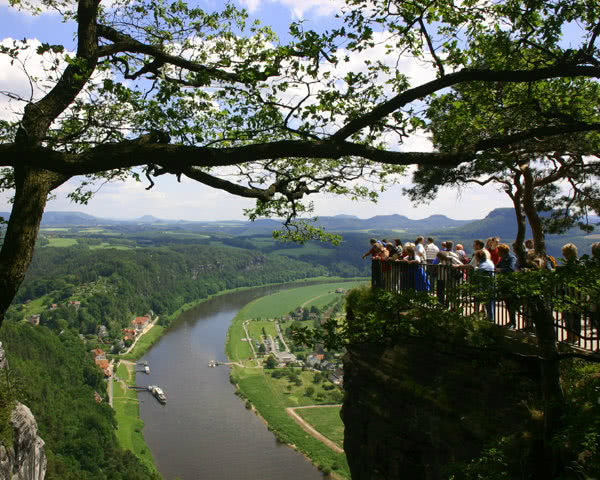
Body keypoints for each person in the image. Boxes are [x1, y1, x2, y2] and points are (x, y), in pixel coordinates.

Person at [560, 243, 581, 343]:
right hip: (568, 294)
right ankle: (570, 336)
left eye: (565, 253)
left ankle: (574, 336)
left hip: (574, 294)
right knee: (568, 316)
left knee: (574, 316)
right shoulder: (569, 264)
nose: (564, 255)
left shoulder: (576, 265)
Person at [496, 243, 518, 328]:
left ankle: (513, 322)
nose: (497, 252)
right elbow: (496, 266)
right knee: (508, 304)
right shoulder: (502, 259)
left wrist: (500, 270)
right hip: (504, 283)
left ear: (502, 251)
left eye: (498, 251)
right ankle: (511, 321)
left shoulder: (511, 258)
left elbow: (511, 269)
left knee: (511, 304)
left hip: (510, 283)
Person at [473, 249, 496, 322]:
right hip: (490, 283)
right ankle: (490, 316)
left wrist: (475, 269)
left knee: (488, 301)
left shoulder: (483, 264)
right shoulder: (489, 261)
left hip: (486, 284)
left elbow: (480, 271)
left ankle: (490, 317)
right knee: (489, 302)